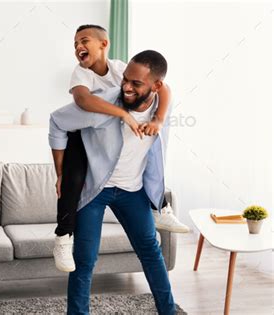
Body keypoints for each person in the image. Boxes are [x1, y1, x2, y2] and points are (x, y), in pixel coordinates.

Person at [53, 25, 189, 273]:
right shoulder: (81, 74)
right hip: (83, 136)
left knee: (152, 151)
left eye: (84, 41)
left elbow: (164, 88)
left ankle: (159, 206)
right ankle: (63, 235)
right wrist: (124, 116)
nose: (78, 47)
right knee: (72, 180)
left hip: (112, 134)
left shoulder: (119, 68)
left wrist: (158, 119)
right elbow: (83, 100)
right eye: (74, 44)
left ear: (104, 44)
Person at [49, 50, 176, 314]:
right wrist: (60, 172)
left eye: (136, 84)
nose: (127, 87)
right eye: (125, 79)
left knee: (152, 252)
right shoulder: (101, 106)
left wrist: (160, 119)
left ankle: (168, 310)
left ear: (156, 86)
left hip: (133, 191)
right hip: (95, 190)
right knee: (84, 260)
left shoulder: (161, 107)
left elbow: (168, 92)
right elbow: (57, 120)